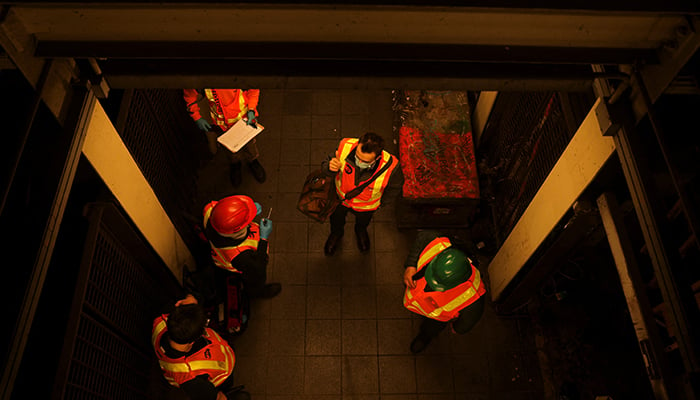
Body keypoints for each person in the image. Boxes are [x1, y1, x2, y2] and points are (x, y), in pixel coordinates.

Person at [152, 294, 250, 400]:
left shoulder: (161, 320)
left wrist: (191, 303)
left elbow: (184, 301)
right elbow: (218, 398)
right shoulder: (191, 379)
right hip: (222, 378)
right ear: (194, 340)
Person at [402, 230, 487, 353]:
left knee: (430, 328)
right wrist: (411, 265)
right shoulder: (438, 243)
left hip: (435, 319)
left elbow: (466, 323)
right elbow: (423, 236)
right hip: (415, 292)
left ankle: (424, 337)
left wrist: (457, 328)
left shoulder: (474, 296)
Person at [322, 132, 399, 255]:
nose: (359, 162)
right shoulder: (345, 146)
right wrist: (329, 167)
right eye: (357, 157)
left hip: (366, 206)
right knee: (336, 219)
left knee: (363, 223)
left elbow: (394, 188)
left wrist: (381, 204)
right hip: (340, 198)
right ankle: (336, 233)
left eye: (365, 161)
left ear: (377, 158)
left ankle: (360, 232)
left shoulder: (391, 166)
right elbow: (327, 163)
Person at [202, 195, 281, 299]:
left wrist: (248, 211)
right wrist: (263, 239)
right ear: (237, 231)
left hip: (219, 257)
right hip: (242, 267)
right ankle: (257, 293)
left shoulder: (209, 210)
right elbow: (259, 266)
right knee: (254, 282)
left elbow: (225, 211)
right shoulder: (240, 254)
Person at [184, 88, 266, 187]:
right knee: (229, 149)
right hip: (222, 126)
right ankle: (235, 164)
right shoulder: (201, 77)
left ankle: (253, 161)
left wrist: (251, 109)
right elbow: (189, 94)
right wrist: (196, 117)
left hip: (244, 122)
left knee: (249, 145)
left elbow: (253, 89)